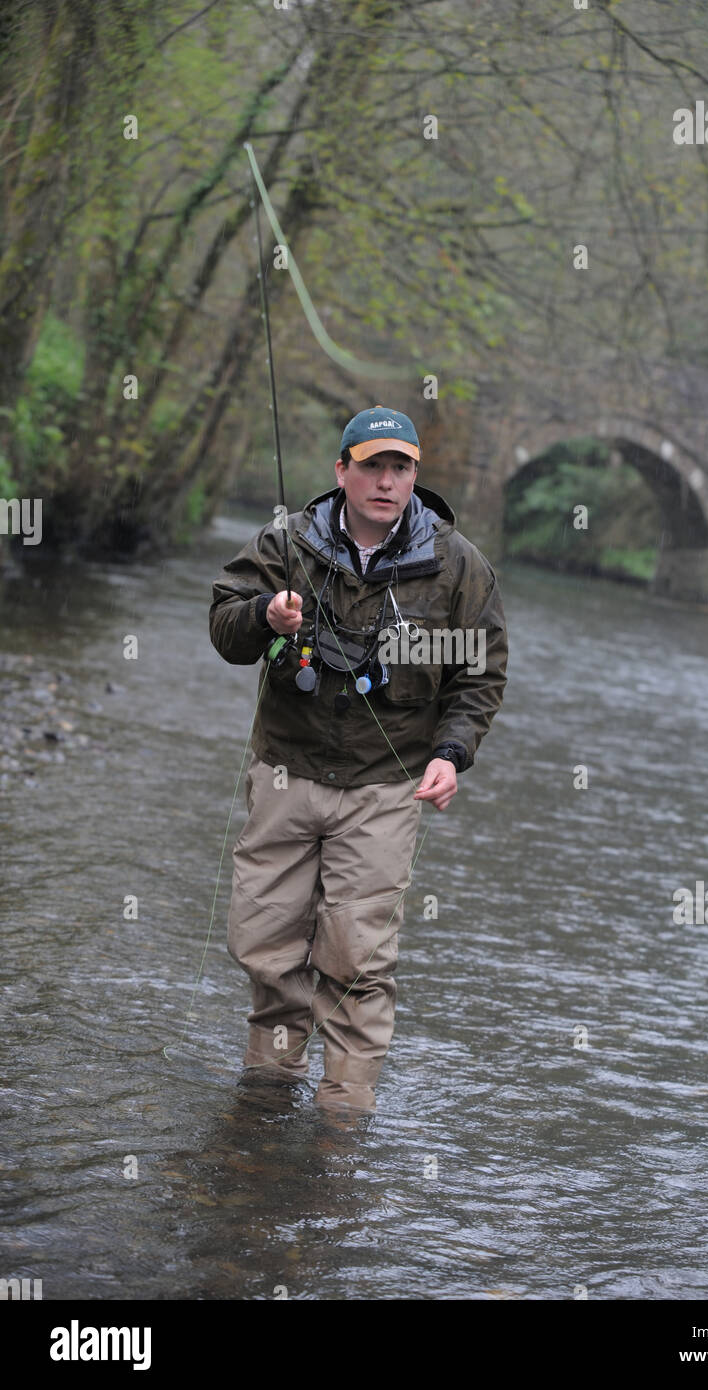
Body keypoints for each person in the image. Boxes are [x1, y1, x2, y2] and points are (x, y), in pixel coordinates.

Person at [209, 405, 507, 1112]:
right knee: (267, 947)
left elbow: (480, 678)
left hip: (386, 784)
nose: (386, 480)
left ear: (414, 478)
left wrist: (451, 754)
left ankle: (343, 1120)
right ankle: (266, 1094)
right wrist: (263, 616)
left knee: (355, 959)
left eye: (400, 467)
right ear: (341, 471)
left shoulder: (458, 566)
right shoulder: (287, 542)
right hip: (286, 770)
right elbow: (225, 627)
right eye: (371, 464)